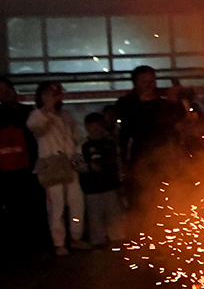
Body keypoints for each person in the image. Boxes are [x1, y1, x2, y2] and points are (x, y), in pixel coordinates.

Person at [26, 81, 89, 256]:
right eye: (50, 93)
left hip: (69, 164)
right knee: (56, 205)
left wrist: (77, 154)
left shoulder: (66, 115)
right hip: (51, 165)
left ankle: (76, 237)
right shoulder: (37, 115)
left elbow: (77, 138)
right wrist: (47, 108)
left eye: (57, 93)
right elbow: (36, 129)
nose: (55, 96)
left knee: (76, 202)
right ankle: (59, 242)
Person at [115, 66, 184, 212]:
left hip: (163, 158)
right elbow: (129, 124)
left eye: (151, 81)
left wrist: (174, 101)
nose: (149, 85)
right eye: (144, 81)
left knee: (165, 198)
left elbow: (178, 117)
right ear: (135, 83)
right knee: (140, 201)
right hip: (138, 159)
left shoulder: (163, 104)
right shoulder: (126, 103)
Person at [0, 76, 45, 259]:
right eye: (1, 91)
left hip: (29, 168)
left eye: (7, 90)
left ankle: (35, 243)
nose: (6, 94)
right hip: (6, 171)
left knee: (33, 207)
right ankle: (16, 245)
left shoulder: (28, 112)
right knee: (13, 210)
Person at [80, 112, 125, 247]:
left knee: (114, 214)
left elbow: (118, 162)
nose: (94, 130)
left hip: (110, 184)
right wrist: (89, 167)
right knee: (95, 215)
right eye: (91, 127)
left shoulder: (110, 143)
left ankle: (117, 237)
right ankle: (98, 240)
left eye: (97, 126)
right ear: (86, 127)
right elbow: (76, 163)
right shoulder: (83, 145)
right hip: (92, 187)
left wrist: (120, 180)